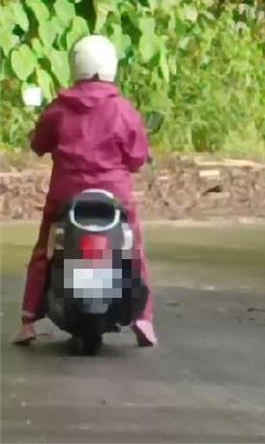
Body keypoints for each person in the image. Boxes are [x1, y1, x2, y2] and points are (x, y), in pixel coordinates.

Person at [12, 35, 157, 347]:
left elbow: (39, 145)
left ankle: (27, 321)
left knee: (45, 250)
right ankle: (143, 318)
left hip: (67, 193)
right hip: (114, 194)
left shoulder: (59, 109)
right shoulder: (123, 110)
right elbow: (135, 159)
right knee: (133, 248)